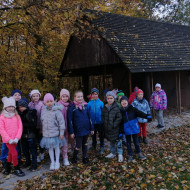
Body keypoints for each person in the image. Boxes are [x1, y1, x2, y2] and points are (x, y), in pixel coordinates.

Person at [120, 96, 152, 162]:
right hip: (127, 130)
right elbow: (120, 122)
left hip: (134, 128)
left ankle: (139, 153)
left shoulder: (132, 109)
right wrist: (120, 132)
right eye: (122, 101)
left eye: (125, 101)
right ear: (120, 103)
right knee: (128, 143)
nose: (124, 102)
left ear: (127, 102)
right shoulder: (120, 111)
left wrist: (146, 116)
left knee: (136, 142)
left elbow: (139, 113)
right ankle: (130, 155)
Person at [40, 93, 66, 170]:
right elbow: (42, 121)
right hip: (47, 134)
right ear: (44, 102)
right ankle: (52, 162)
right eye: (47, 102)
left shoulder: (57, 111)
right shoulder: (43, 111)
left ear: (54, 101)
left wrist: (61, 133)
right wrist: (43, 130)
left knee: (56, 147)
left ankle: (57, 162)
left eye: (51, 101)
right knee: (50, 148)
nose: (49, 103)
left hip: (56, 134)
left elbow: (61, 122)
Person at [67, 90, 94, 164]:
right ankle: (74, 157)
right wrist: (71, 132)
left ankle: (85, 157)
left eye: (81, 96)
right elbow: (70, 121)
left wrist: (92, 128)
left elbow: (90, 118)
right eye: (78, 97)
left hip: (86, 129)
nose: (80, 98)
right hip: (78, 130)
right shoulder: (72, 108)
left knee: (85, 143)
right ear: (74, 97)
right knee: (78, 145)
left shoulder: (86, 106)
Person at [0, 97, 25, 176]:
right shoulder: (2, 117)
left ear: (14, 107)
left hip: (15, 139)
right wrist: (9, 139)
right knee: (14, 153)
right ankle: (16, 168)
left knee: (11, 154)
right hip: (8, 140)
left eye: (12, 106)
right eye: (9, 106)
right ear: (5, 107)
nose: (11, 108)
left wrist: (17, 137)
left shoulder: (16, 116)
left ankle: (7, 167)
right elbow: (2, 129)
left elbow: (20, 127)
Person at [101, 91, 123, 162]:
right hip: (108, 128)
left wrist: (114, 125)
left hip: (115, 128)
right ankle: (112, 152)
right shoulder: (105, 107)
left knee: (118, 141)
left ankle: (120, 154)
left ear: (114, 98)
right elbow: (102, 116)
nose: (109, 100)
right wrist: (105, 123)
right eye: (108, 98)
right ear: (106, 99)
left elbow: (119, 117)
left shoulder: (116, 107)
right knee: (111, 141)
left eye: (111, 98)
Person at [18, 98, 38, 171]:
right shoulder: (20, 114)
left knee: (33, 150)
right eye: (19, 107)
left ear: (26, 106)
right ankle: (28, 161)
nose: (20, 108)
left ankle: (34, 164)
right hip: (23, 135)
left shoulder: (31, 112)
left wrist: (21, 124)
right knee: (25, 150)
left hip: (31, 135)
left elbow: (33, 124)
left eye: (22, 107)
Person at [28, 89, 44, 163]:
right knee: (34, 142)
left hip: (40, 125)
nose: (35, 97)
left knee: (41, 141)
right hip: (32, 127)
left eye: (37, 96)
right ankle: (36, 155)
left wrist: (42, 128)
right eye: (33, 96)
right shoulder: (29, 105)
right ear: (31, 97)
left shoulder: (41, 104)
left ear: (39, 96)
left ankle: (42, 153)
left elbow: (43, 116)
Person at [87, 88, 104, 154]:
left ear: (98, 95)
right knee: (93, 135)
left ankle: (102, 146)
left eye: (96, 94)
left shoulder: (101, 103)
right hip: (92, 123)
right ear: (91, 95)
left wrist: (103, 120)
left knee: (101, 135)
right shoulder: (89, 103)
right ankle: (94, 145)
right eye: (93, 94)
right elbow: (88, 112)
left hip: (100, 122)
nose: (95, 95)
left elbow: (103, 112)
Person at [58, 89, 72, 166]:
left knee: (69, 142)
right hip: (61, 128)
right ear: (61, 97)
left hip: (69, 127)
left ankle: (66, 155)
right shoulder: (58, 105)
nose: (65, 98)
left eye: (66, 96)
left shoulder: (71, 104)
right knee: (63, 143)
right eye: (63, 96)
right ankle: (64, 156)